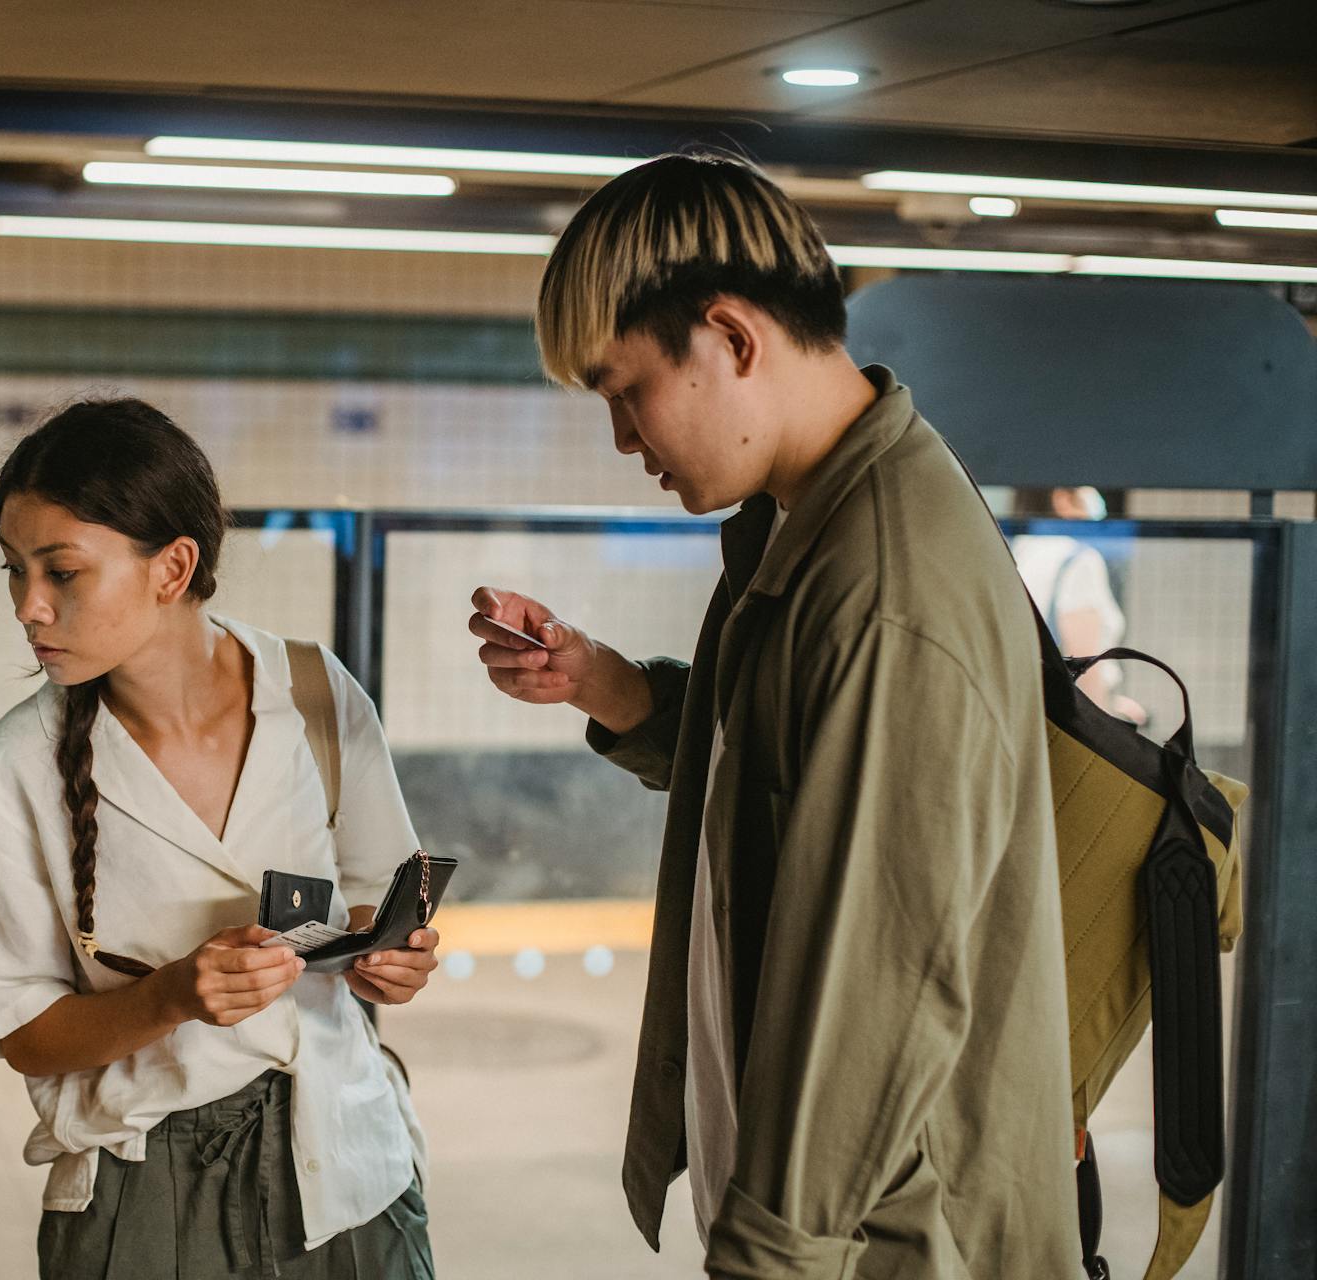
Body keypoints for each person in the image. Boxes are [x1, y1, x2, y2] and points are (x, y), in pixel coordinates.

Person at [468, 151, 1080, 1277]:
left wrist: (772, 1254)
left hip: (887, 1241)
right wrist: (608, 683)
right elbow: (781, 765)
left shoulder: (885, 582)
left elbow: (879, 980)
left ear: (732, 338)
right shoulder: (810, 525)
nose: (623, 438)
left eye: (625, 390)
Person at [0, 399, 437, 1279]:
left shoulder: (317, 694)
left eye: (61, 572)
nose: (28, 606)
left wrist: (393, 958)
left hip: (348, 1164)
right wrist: (172, 995)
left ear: (172, 568)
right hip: (145, 1192)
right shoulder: (19, 766)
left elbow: (384, 892)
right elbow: (23, 1033)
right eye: (14, 570)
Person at [1011, 486, 1145, 724]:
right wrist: (1104, 724)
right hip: (1068, 720)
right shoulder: (1078, 560)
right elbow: (1085, 664)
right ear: (1062, 498)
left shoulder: (1019, 550)